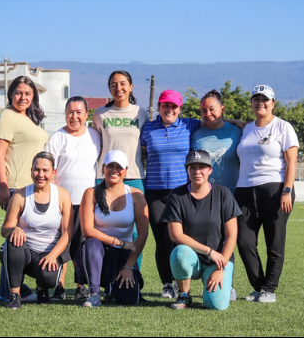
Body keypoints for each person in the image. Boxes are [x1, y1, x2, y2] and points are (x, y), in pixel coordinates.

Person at [234, 85, 299, 303]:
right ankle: (259, 286)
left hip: (275, 189)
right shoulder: (246, 128)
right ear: (251, 103)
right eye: (256, 99)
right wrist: (232, 122)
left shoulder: (283, 127)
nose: (260, 102)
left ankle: (269, 289)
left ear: (273, 103)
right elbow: (237, 126)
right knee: (244, 241)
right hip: (244, 190)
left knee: (274, 241)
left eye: (265, 99)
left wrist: (287, 190)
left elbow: (292, 162)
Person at [139, 89, 203, 301]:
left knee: (175, 239)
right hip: (155, 193)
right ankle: (167, 284)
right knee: (161, 240)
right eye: (166, 105)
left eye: (174, 106)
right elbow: (141, 152)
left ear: (180, 109)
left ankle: (179, 283)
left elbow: (215, 122)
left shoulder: (189, 125)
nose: (170, 109)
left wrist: (242, 124)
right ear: (159, 106)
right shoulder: (148, 128)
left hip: (180, 193)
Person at [163, 149, 242, 310]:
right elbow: (176, 235)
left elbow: (232, 235)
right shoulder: (176, 195)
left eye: (202, 167)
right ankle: (184, 295)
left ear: (210, 170)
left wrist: (221, 268)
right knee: (179, 253)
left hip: (218, 260)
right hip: (193, 258)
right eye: (192, 167)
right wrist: (209, 251)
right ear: (187, 170)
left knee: (216, 305)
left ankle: (221, 283)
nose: (197, 171)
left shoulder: (223, 193)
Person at [43, 96, 102, 302]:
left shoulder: (95, 135)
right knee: (62, 245)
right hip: (62, 202)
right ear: (65, 114)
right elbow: (48, 170)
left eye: (78, 112)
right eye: (70, 112)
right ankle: (59, 286)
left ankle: (81, 287)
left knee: (82, 246)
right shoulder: (57, 137)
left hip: (87, 202)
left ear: (86, 114)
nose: (74, 116)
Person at [0, 152, 72, 309]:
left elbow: (67, 233)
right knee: (14, 242)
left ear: (53, 173)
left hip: (48, 253)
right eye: (36, 169)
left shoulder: (62, 196)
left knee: (49, 278)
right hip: (25, 253)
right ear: (31, 171)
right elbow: (4, 229)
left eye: (45, 170)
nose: (40, 174)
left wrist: (53, 256)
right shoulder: (20, 195)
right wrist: (15, 229)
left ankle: (42, 289)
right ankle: (15, 296)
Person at [79, 149, 149, 307]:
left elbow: (143, 234)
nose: (114, 170)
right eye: (110, 165)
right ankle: (94, 293)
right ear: (103, 168)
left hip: (123, 255)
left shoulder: (136, 196)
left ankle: (111, 289)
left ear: (126, 171)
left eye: (119, 166)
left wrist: (129, 266)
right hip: (98, 252)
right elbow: (87, 231)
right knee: (91, 244)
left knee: (128, 300)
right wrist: (120, 243)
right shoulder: (91, 193)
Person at [0, 76, 49, 215]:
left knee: (27, 233)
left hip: (33, 185)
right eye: (18, 93)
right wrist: (3, 187)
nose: (23, 97)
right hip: (15, 187)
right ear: (11, 94)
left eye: (28, 93)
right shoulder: (7, 117)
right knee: (18, 233)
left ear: (33, 97)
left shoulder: (29, 118)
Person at [93, 71, 149, 193]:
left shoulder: (141, 113)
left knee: (138, 212)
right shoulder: (100, 114)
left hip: (134, 175)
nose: (118, 88)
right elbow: (94, 143)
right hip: (106, 175)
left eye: (122, 84)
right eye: (113, 85)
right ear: (110, 89)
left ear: (131, 87)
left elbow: (146, 144)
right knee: (104, 211)